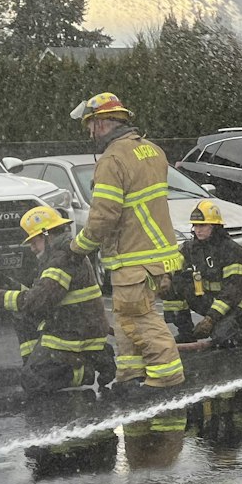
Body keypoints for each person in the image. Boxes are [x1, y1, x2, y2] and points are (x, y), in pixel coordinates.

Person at [67, 92, 185, 389]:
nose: (89, 132)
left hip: (134, 256)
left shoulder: (113, 159)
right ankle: (131, 375)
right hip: (156, 254)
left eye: (90, 125)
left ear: (103, 123)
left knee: (140, 320)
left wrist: (78, 247)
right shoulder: (152, 150)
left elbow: (104, 216)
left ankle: (165, 378)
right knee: (125, 319)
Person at [0, 203, 116, 396]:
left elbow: (37, 302)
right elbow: (41, 295)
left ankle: (85, 370)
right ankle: (39, 364)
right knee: (21, 317)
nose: (32, 248)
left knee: (32, 381)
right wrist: (6, 288)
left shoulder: (61, 259)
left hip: (74, 335)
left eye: (33, 241)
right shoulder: (61, 253)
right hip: (73, 327)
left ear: (45, 235)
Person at [169, 198, 242, 349]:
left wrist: (210, 319)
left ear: (215, 226)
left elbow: (233, 290)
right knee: (172, 284)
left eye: (203, 225)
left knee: (223, 338)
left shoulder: (232, 250)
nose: (198, 230)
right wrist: (164, 277)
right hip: (208, 298)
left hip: (234, 303)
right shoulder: (190, 248)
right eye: (195, 225)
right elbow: (171, 263)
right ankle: (185, 332)